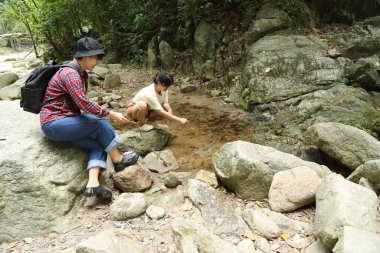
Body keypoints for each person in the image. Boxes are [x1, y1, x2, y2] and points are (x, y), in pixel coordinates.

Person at [40, 37, 139, 201]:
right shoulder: (70, 73)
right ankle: (118, 160)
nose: (98, 62)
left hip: (65, 119)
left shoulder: (79, 72)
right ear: (86, 57)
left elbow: (81, 104)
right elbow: (83, 103)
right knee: (99, 121)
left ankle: (92, 185)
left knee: (99, 143)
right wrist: (111, 113)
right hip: (54, 122)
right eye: (96, 57)